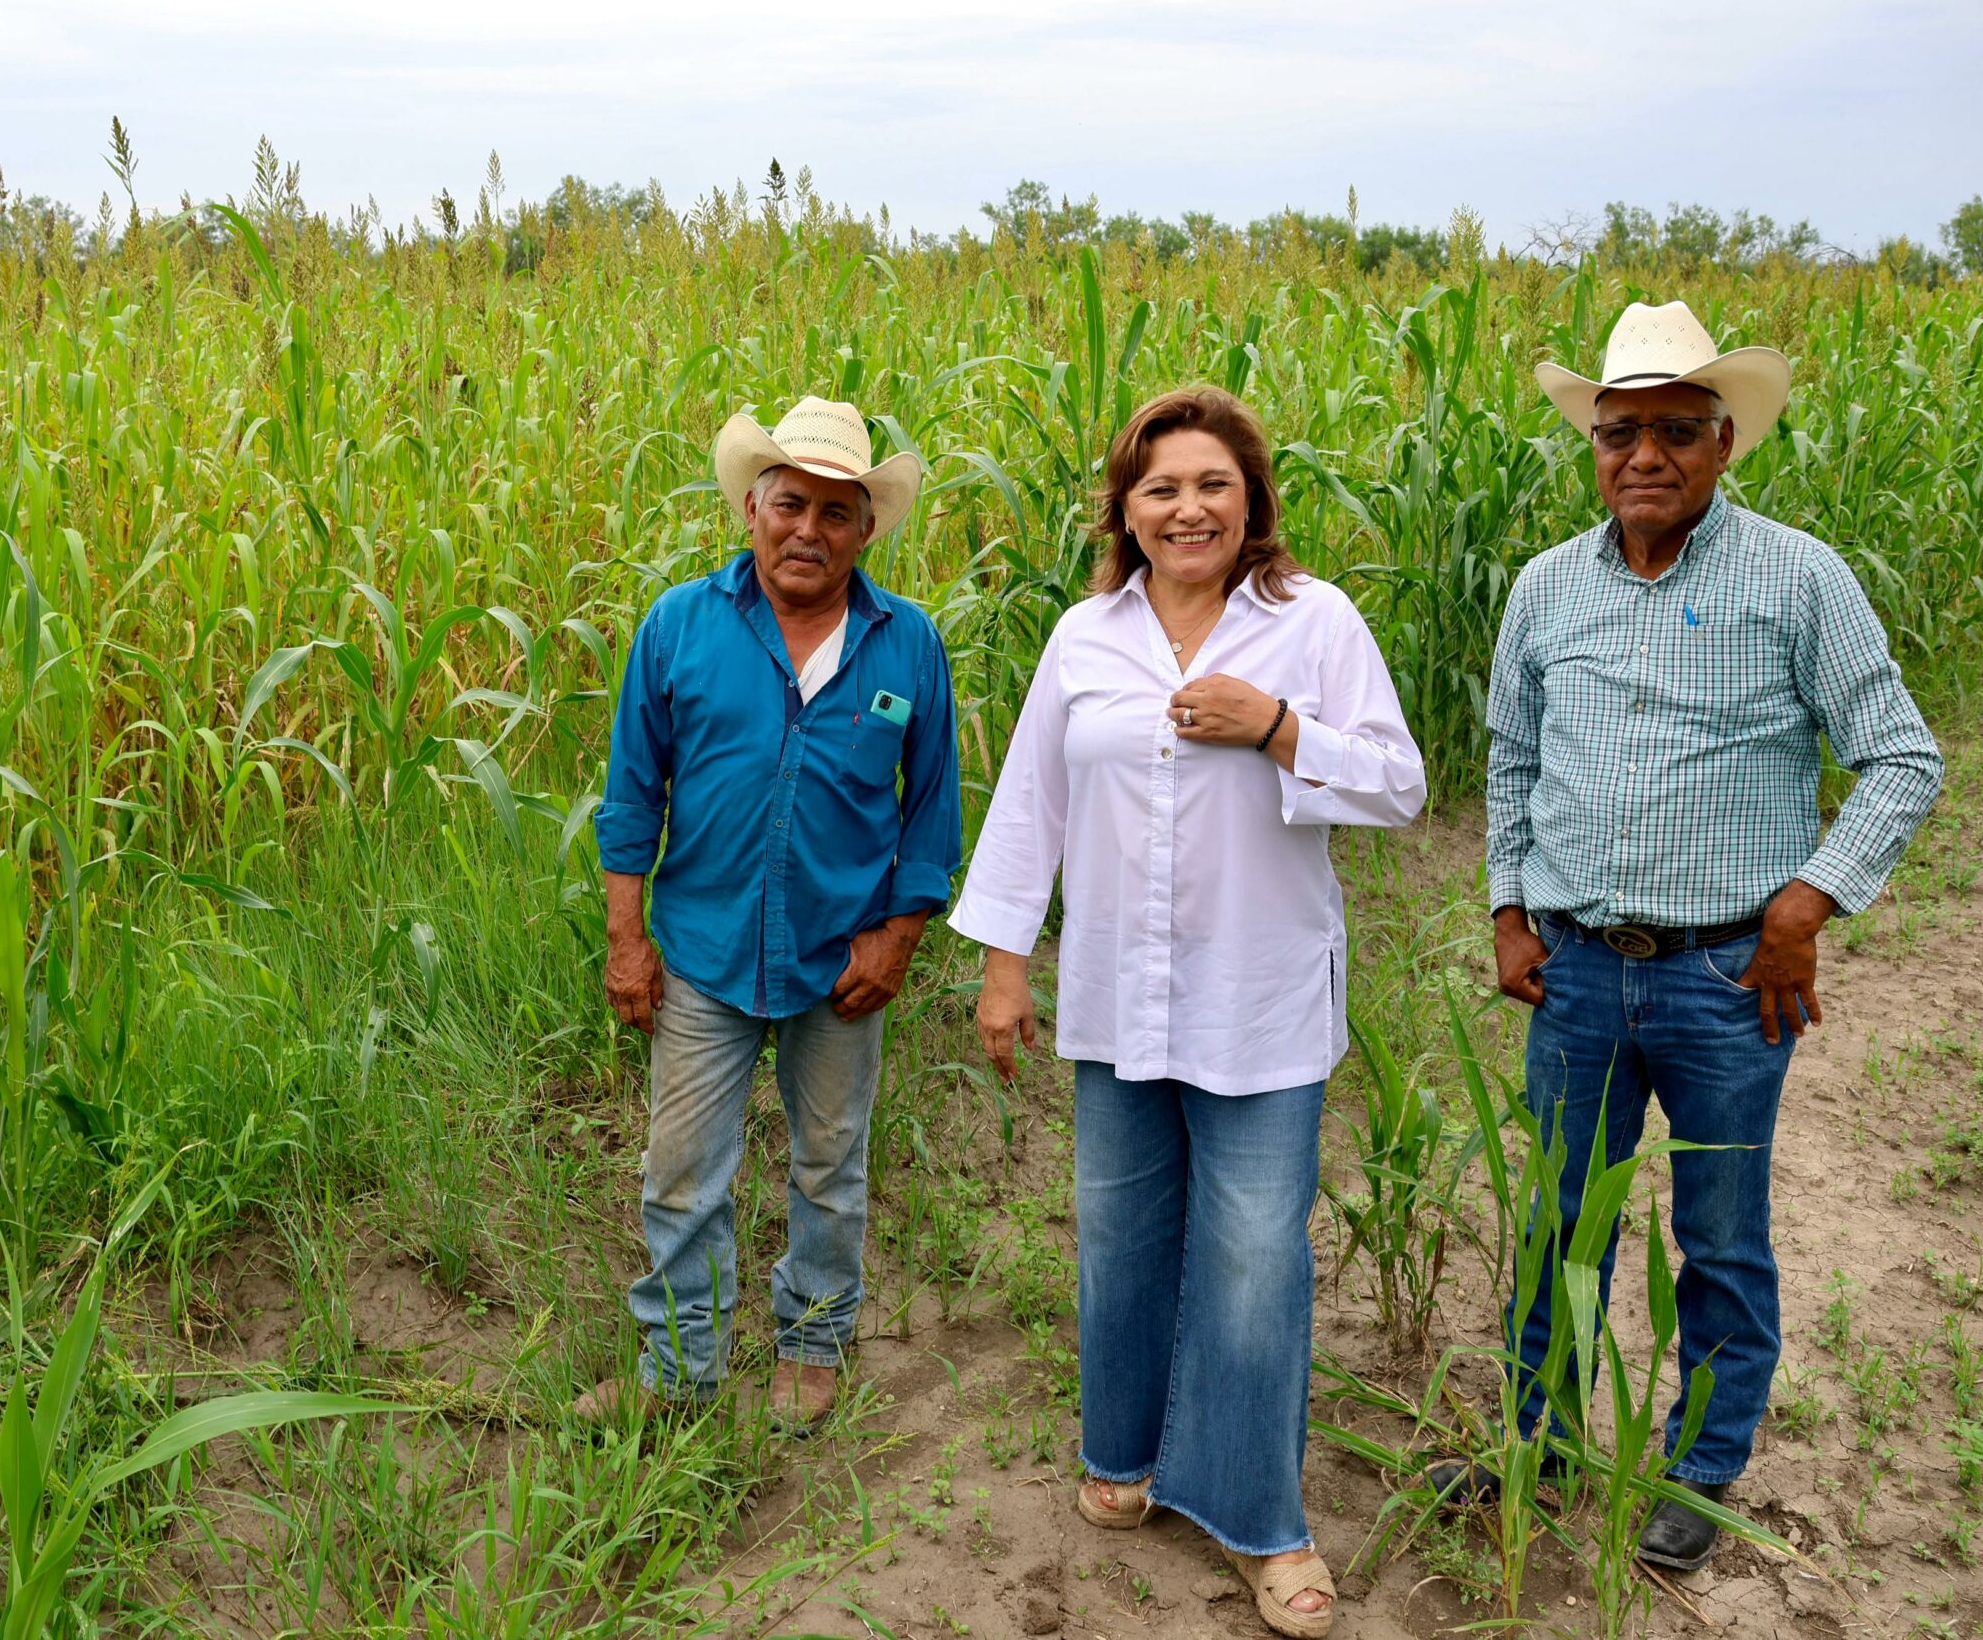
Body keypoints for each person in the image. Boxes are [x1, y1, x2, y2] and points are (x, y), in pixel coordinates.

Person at [1428, 300, 1943, 1571]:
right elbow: (1512, 761)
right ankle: (1531, 1440)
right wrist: (1506, 907)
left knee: (1715, 1231)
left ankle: (1701, 1470)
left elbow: (1899, 757)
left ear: (1723, 443)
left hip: (1726, 977)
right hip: (1579, 972)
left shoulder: (1797, 577)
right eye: (1618, 434)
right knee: (1558, 1222)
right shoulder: (1547, 588)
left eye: (1671, 430)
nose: (1641, 455)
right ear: (1592, 448)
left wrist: (1804, 902)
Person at [953, 387, 1424, 1639]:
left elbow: (1397, 786)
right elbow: (1029, 808)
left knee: (1254, 1253)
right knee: (1119, 1232)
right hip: (1118, 992)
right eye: (1159, 489)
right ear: (1127, 511)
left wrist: (1274, 727)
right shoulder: (1083, 636)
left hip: (1258, 997)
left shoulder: (1310, 623)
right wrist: (1006, 967)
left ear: (1251, 499)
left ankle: (1262, 1523)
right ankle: (1126, 1450)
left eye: (1211, 484)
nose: (1186, 508)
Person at [580, 396, 963, 1431]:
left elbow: (930, 811)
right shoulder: (680, 626)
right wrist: (627, 943)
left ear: (865, 529)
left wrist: (897, 938)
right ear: (752, 507)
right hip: (704, 954)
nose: (809, 531)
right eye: (790, 505)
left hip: (841, 963)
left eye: (836, 513)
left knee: (830, 1169)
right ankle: (679, 1370)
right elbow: (631, 799)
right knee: (679, 1176)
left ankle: (813, 1342)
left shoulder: (907, 645)